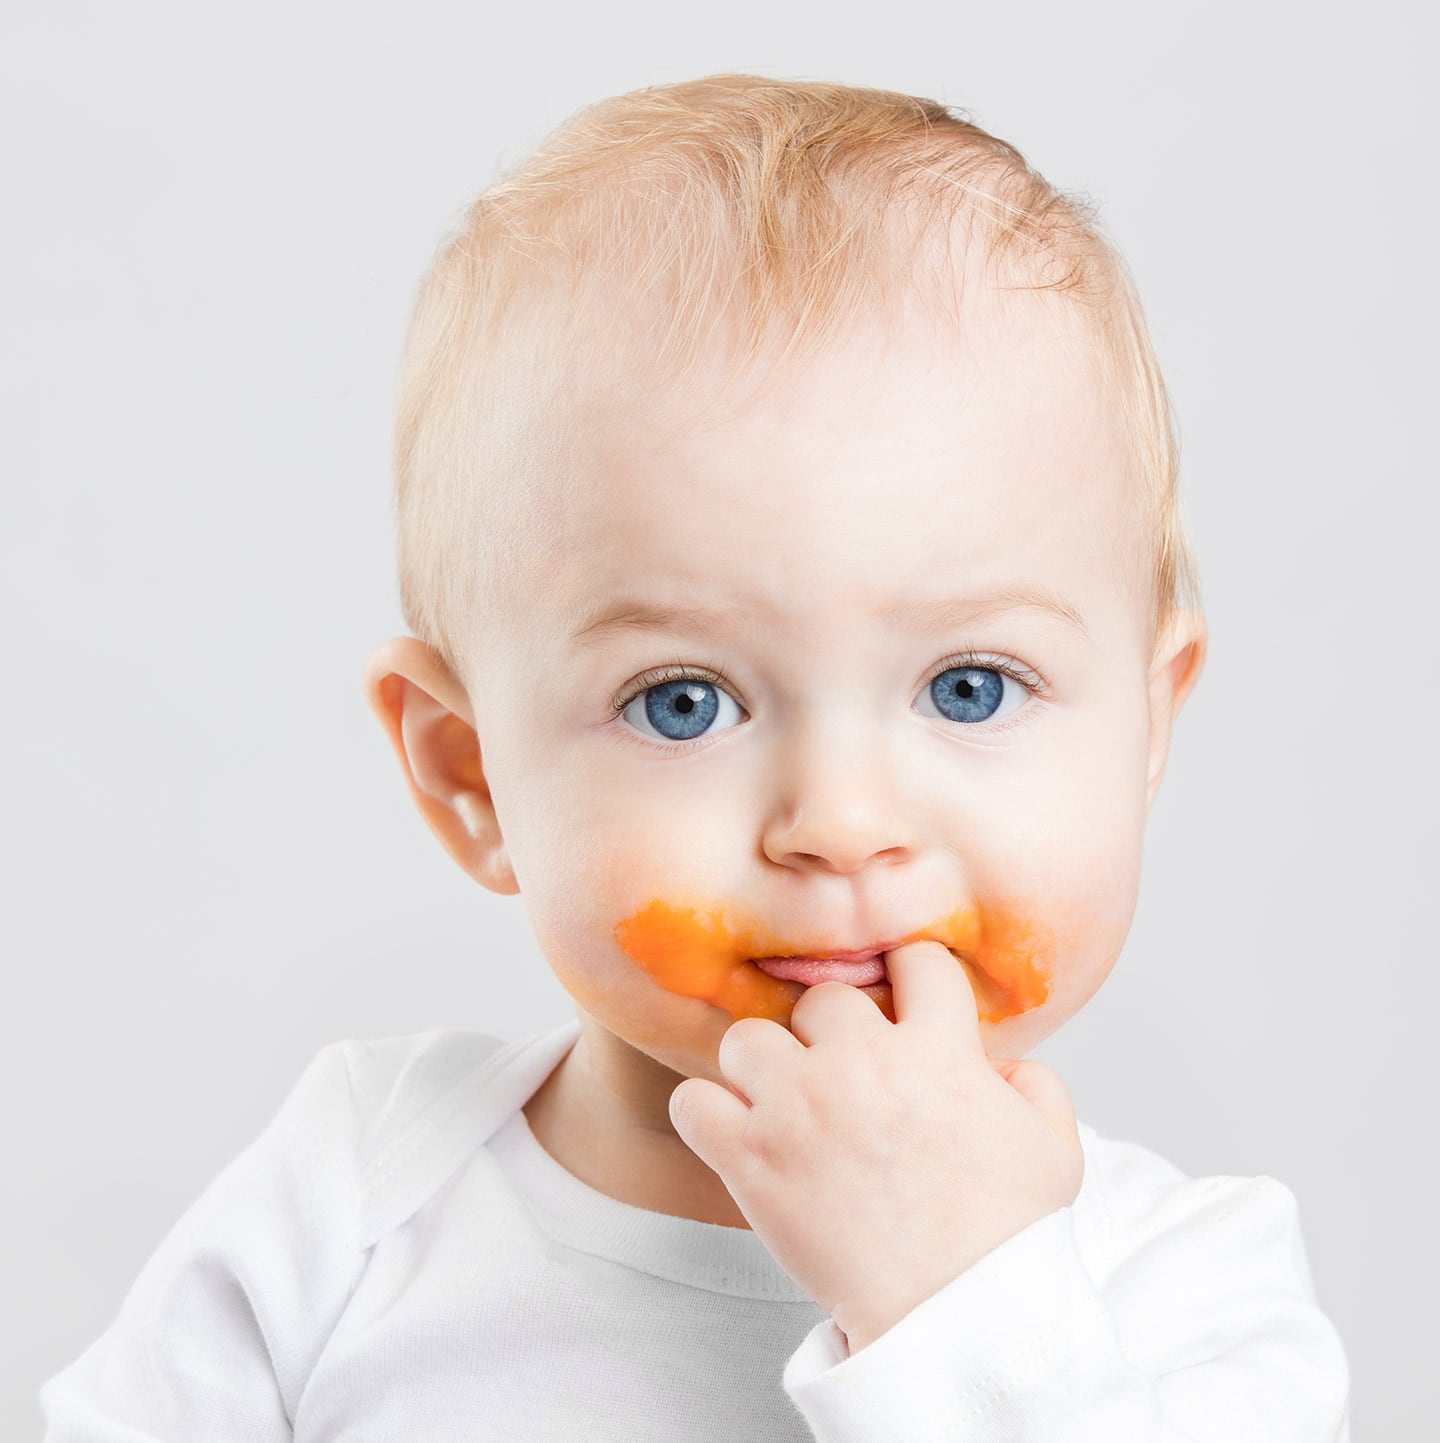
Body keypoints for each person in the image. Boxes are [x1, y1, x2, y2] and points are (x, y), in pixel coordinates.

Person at [40, 73, 1352, 1439]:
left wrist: (961, 1299)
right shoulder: (354, 1202)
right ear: (469, 773)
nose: (840, 823)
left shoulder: (1185, 1291)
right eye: (684, 702)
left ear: (1149, 724)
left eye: (970, 687)